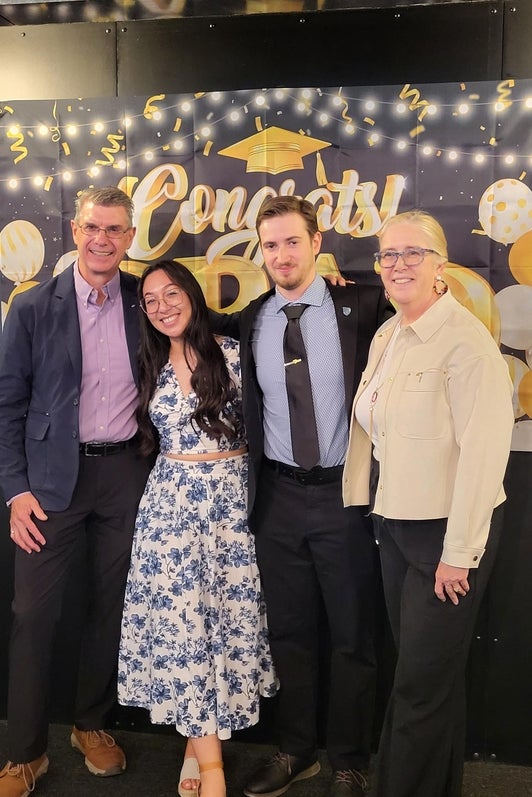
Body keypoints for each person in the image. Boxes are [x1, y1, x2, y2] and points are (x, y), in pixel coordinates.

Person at [210, 195, 393, 797]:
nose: (282, 255)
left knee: (351, 636)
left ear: (318, 244)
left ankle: (348, 758)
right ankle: (296, 750)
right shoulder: (252, 319)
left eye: (293, 242)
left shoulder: (362, 303)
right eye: (270, 245)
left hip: (345, 494)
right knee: (288, 632)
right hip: (279, 499)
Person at [342, 210, 514, 797]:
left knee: (419, 683)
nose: (397, 265)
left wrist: (459, 553)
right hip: (394, 528)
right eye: (388, 255)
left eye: (412, 253)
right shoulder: (389, 335)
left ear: (441, 265)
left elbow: (485, 457)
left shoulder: (466, 343)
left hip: (447, 539)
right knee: (429, 681)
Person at [0, 186, 152, 797]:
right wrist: (15, 491)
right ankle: (24, 753)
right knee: (32, 615)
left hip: (126, 477)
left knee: (108, 607)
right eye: (93, 227)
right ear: (74, 228)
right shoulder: (34, 307)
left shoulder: (150, 301)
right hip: (50, 484)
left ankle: (91, 725)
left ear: (130, 235)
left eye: (115, 230)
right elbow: (6, 405)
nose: (102, 240)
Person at [117, 260, 277, 797]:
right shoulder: (146, 366)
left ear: (192, 293)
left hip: (230, 508)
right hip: (171, 512)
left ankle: (196, 746)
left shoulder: (234, 353)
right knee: (186, 632)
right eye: (150, 300)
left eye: (171, 293)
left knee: (221, 627)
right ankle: (213, 772)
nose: (162, 306)